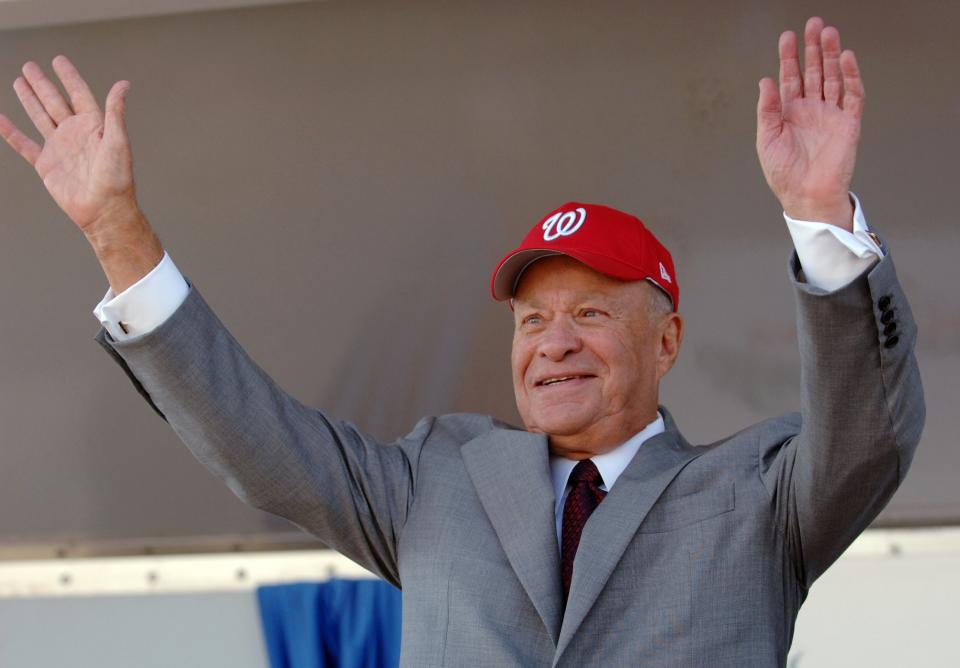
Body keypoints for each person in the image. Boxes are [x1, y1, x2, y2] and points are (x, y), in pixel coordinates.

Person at [0, 16, 924, 667]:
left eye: (591, 313)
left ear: (668, 338)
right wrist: (117, 231)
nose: (552, 343)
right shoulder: (439, 480)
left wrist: (819, 222)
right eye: (531, 320)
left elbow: (870, 433)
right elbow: (260, 444)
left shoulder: (755, 496)